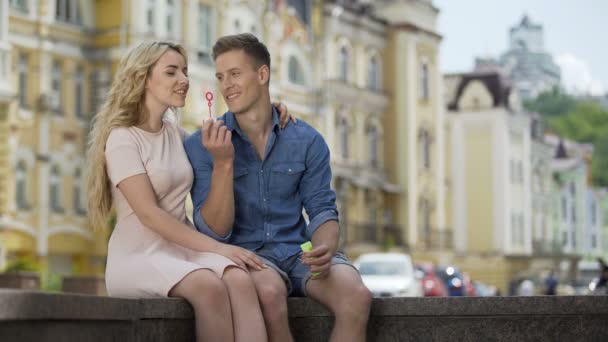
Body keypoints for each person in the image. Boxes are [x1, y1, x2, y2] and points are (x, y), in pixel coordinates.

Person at [86, 41, 292, 342]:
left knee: (239, 278)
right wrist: (219, 248)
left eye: (184, 71)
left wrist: (265, 109)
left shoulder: (177, 136)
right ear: (143, 78)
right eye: (172, 72)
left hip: (181, 251)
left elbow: (225, 131)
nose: (184, 80)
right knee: (209, 288)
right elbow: (150, 215)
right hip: (138, 256)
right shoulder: (122, 139)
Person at [184, 33, 372, 342]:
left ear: (262, 74)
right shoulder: (203, 145)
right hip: (249, 256)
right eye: (220, 76)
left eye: (234, 74)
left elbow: (322, 208)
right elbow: (215, 232)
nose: (226, 84)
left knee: (357, 296)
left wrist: (324, 248)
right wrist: (223, 163)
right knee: (269, 295)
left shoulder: (307, 140)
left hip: (300, 252)